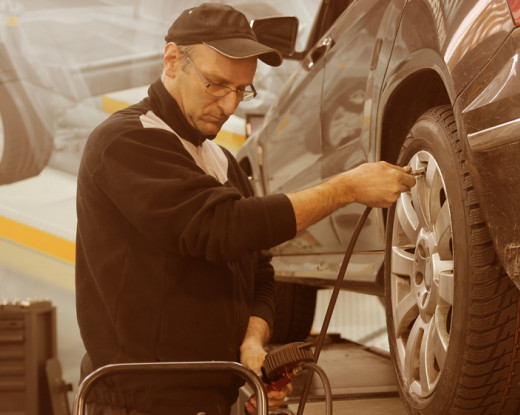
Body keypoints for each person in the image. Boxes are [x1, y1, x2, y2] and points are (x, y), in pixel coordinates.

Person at [75, 3, 415, 414]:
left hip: (213, 399)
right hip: (137, 403)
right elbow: (222, 227)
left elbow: (261, 271)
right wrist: (346, 188)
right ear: (172, 60)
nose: (229, 105)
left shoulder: (222, 162)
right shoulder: (125, 141)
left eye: (242, 90)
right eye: (216, 84)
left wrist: (252, 344)